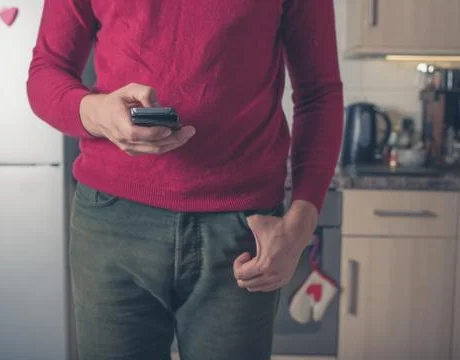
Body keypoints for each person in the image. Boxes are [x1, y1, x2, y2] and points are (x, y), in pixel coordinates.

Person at [27, 0, 343, 359]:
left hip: (241, 230)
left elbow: (320, 94)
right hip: (111, 223)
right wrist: (96, 113)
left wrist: (301, 225)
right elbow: (46, 72)